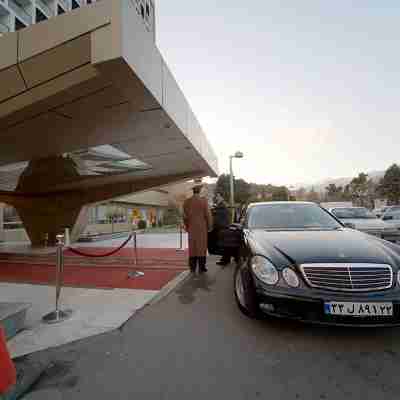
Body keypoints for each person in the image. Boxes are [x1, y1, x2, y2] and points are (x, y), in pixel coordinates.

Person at [183, 184, 213, 273]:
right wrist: (210, 226)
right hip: (202, 228)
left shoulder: (186, 202)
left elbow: (184, 216)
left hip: (191, 227)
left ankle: (192, 268)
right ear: (199, 191)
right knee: (201, 247)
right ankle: (201, 267)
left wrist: (187, 226)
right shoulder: (203, 201)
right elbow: (208, 215)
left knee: (192, 248)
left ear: (193, 191)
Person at [212, 193, 239, 266]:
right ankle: (228, 259)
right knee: (227, 245)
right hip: (224, 227)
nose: (216, 197)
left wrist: (214, 211)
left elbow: (218, 216)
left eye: (218, 196)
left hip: (223, 227)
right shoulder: (221, 205)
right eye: (216, 196)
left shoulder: (221, 205)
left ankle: (226, 259)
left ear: (222, 197)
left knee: (226, 245)